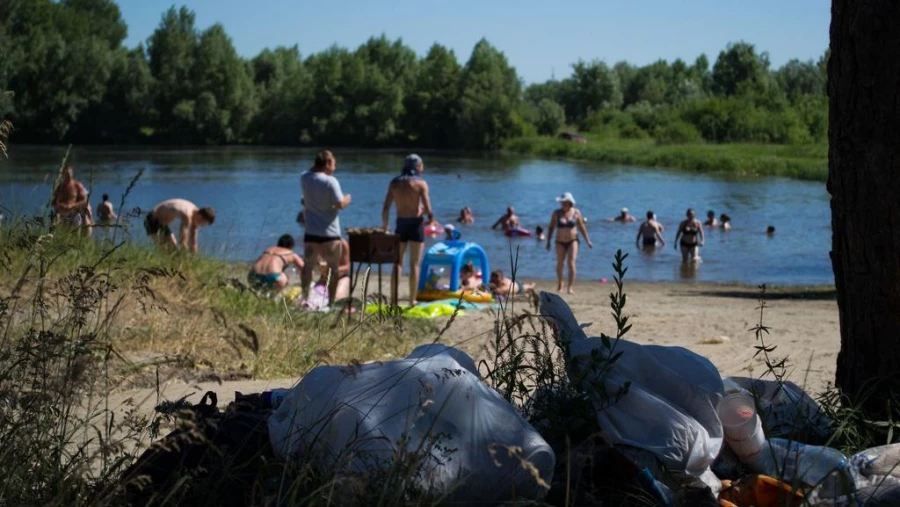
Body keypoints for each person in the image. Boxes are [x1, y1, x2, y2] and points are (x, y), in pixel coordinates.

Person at [300, 150, 351, 306]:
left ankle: (305, 299)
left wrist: (317, 165)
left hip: (311, 232)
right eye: (334, 164)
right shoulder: (330, 181)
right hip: (330, 233)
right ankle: (330, 303)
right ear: (327, 163)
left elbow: (309, 171)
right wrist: (348, 198)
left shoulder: (304, 178)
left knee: (308, 267)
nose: (335, 168)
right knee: (333, 268)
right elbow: (339, 204)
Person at [382, 154, 433, 306]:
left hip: (400, 223)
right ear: (417, 167)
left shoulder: (394, 183)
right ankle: (412, 300)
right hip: (416, 224)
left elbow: (386, 208)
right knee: (414, 264)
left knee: (397, 263)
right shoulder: (421, 184)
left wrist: (385, 225)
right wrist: (426, 213)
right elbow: (428, 209)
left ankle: (393, 300)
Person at [546, 192, 593, 294]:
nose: (562, 204)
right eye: (561, 202)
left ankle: (570, 287)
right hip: (560, 241)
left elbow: (581, 227)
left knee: (571, 263)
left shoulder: (576, 212)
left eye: (564, 202)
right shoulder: (556, 213)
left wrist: (587, 240)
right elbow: (551, 227)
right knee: (560, 263)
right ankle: (560, 284)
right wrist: (548, 241)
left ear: (569, 202)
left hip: (573, 240)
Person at [144, 198, 216, 253]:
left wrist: (194, 258)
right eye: (202, 224)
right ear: (200, 217)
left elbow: (194, 241)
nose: (200, 226)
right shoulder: (187, 215)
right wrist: (185, 255)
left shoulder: (195, 214)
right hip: (152, 220)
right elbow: (182, 240)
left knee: (174, 251)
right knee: (168, 252)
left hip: (162, 224)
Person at [51, 165, 90, 234]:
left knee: (75, 237)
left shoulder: (77, 185)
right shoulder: (59, 187)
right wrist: (58, 206)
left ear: (72, 173)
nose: (68, 176)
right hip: (62, 216)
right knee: (63, 237)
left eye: (69, 174)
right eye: (66, 174)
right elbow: (53, 202)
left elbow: (84, 200)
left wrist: (72, 205)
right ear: (63, 175)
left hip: (74, 215)